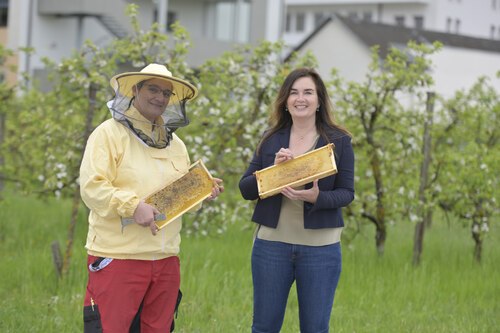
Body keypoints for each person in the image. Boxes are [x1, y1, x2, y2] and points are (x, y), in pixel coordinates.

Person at [80, 63, 223, 333]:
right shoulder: (108, 134)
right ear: (135, 90)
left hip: (166, 258)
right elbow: (92, 187)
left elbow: (179, 200)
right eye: (153, 89)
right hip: (118, 257)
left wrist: (201, 190)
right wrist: (133, 207)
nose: (160, 97)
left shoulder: (176, 145)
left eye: (166, 93)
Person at [239, 67, 355, 333]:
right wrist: (274, 173)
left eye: (308, 92)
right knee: (264, 327)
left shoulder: (338, 141)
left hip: (321, 250)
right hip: (271, 246)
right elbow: (246, 189)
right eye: (293, 92)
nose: (300, 98)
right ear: (285, 100)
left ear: (319, 100)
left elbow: (347, 193)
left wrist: (318, 197)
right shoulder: (270, 139)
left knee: (315, 328)